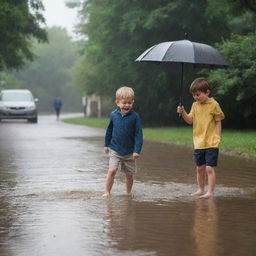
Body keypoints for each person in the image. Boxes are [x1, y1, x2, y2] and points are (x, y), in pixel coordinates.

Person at [177, 77, 225, 199]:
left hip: (211, 142)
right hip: (198, 142)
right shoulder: (195, 105)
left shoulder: (214, 105)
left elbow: (218, 121)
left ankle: (210, 192)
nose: (196, 97)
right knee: (200, 168)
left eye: (198, 95)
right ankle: (200, 189)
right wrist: (183, 113)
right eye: (194, 95)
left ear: (207, 92)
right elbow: (190, 121)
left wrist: (218, 137)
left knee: (209, 168)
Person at [103, 86, 143, 197]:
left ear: (133, 102)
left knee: (129, 175)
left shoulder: (135, 117)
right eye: (124, 103)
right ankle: (107, 192)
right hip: (115, 149)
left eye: (129, 103)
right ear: (117, 102)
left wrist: (137, 150)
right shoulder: (113, 115)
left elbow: (139, 134)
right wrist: (106, 144)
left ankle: (128, 193)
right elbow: (109, 130)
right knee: (112, 170)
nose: (127, 105)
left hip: (129, 152)